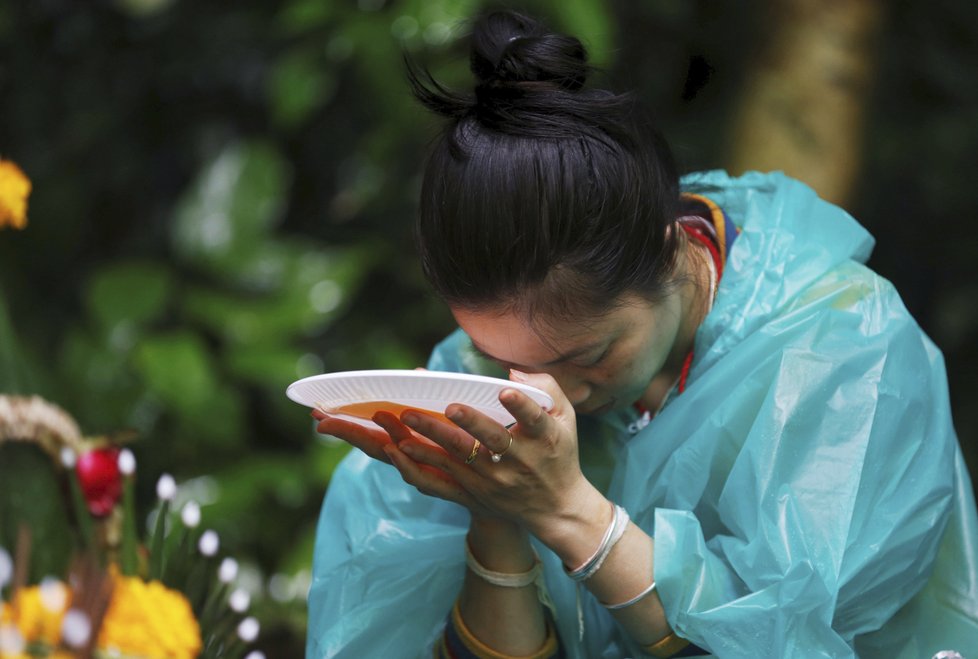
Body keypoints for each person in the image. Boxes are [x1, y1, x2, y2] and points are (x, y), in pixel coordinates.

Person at [305, 10, 978, 658]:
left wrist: (567, 510)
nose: (545, 394)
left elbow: (791, 639)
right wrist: (496, 511)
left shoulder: (844, 353)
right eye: (499, 358)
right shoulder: (496, 379)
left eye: (588, 355)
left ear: (667, 252)